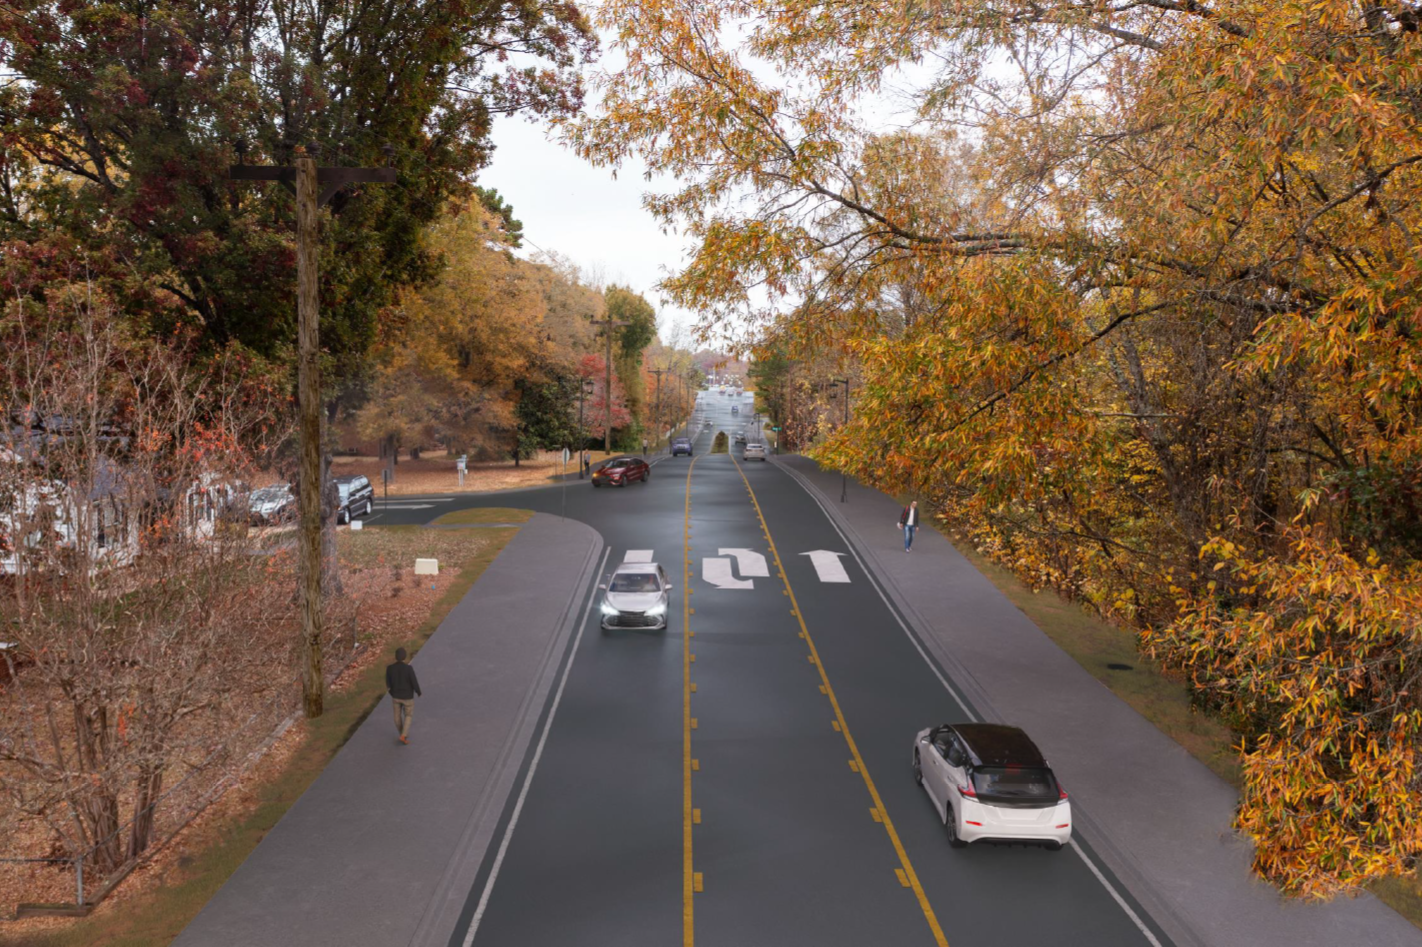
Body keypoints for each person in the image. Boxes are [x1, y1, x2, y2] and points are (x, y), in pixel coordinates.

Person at [385, 647, 422, 744]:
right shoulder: (408, 669)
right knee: (408, 715)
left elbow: (388, 684)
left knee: (397, 717)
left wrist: (392, 693)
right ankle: (403, 735)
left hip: (396, 697)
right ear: (404, 656)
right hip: (407, 697)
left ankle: (402, 734)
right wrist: (418, 691)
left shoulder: (390, 669)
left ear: (396, 656)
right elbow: (414, 681)